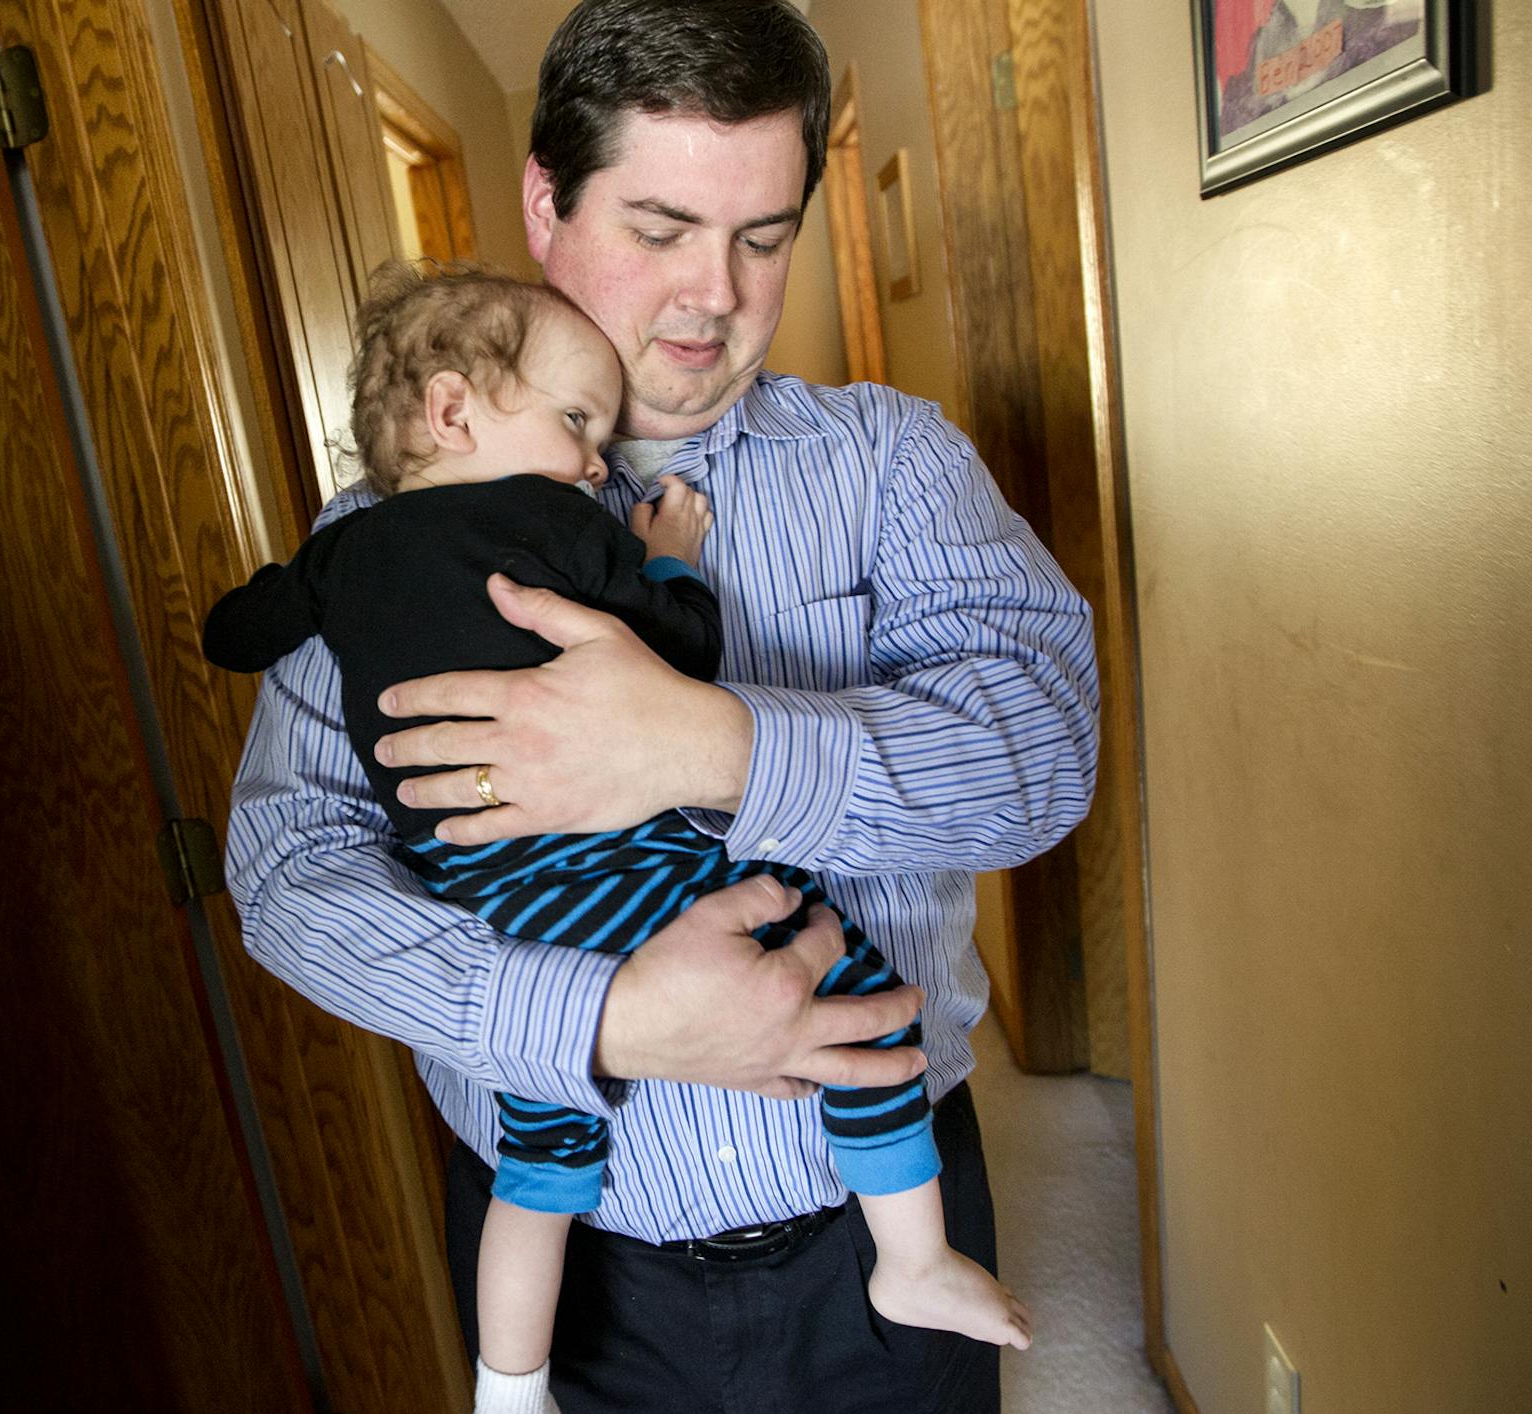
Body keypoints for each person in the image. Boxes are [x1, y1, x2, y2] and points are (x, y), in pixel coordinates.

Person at [224, 1, 1099, 1407]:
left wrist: (713, 742)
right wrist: (600, 1018)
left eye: (766, 235)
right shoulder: (380, 540)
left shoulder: (892, 462)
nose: (715, 297)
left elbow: (1047, 750)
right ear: (544, 203)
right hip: (578, 1256)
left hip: (884, 1205)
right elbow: (285, 872)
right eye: (661, 227)